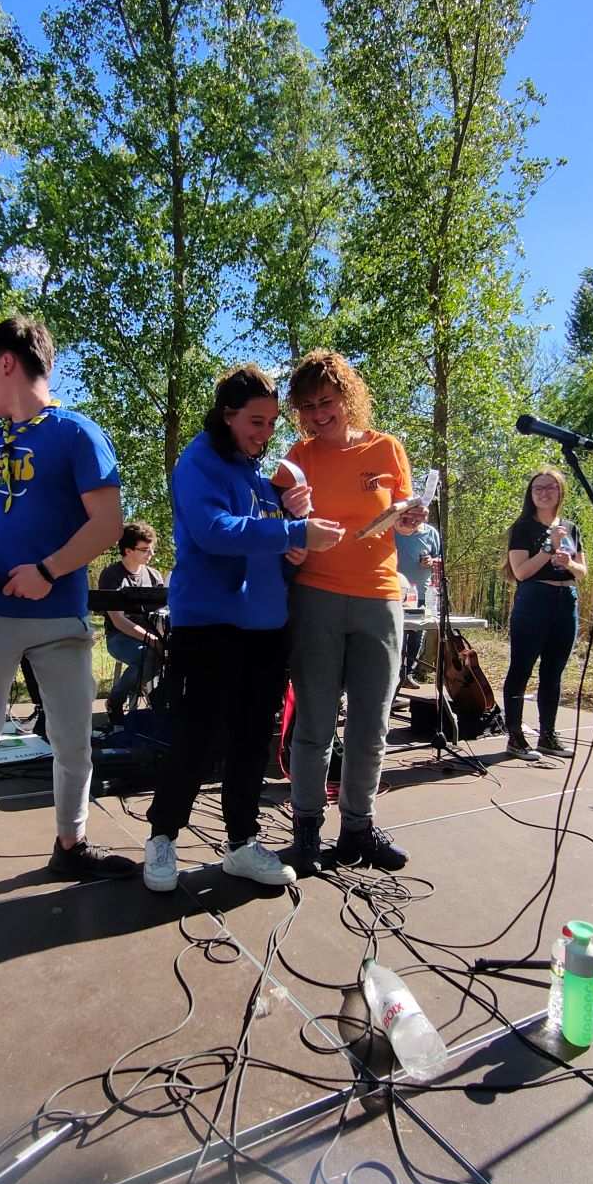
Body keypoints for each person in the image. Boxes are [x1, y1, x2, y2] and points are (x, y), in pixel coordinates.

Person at [0, 314, 137, 926]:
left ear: (6, 362)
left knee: (73, 741)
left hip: (58, 616)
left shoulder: (77, 434)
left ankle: (71, 845)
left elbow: (107, 524)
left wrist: (47, 569)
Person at [142, 364, 344, 895]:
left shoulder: (262, 476)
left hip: (265, 627)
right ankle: (163, 837)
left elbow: (271, 550)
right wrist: (293, 532)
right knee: (197, 734)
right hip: (209, 623)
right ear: (227, 415)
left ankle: (241, 843)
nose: (265, 433)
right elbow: (215, 532)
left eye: (272, 423)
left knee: (253, 739)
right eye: (256, 421)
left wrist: (293, 548)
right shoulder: (198, 461)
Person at [279, 350, 426, 877]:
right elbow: (278, 523)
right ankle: (306, 832)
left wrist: (410, 520)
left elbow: (403, 518)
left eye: (327, 402)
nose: (319, 414)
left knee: (371, 724)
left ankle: (358, 829)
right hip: (315, 597)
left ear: (348, 397)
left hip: (380, 598)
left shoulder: (387, 448)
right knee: (314, 723)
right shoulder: (297, 456)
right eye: (308, 406)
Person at [501, 468, 587, 759]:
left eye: (550, 487)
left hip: (566, 601)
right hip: (534, 600)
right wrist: (549, 548)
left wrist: (569, 564)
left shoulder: (570, 527)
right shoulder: (523, 528)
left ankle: (547, 735)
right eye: (538, 488)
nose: (543, 493)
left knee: (553, 672)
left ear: (560, 491)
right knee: (521, 668)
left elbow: (582, 571)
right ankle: (515, 738)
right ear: (531, 494)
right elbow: (521, 572)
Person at [97, 520, 164, 720]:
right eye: (145, 550)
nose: (151, 554)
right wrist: (152, 640)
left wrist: (160, 638)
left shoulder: (154, 576)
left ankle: (160, 702)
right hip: (118, 637)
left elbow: (161, 614)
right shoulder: (111, 576)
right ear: (128, 550)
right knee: (147, 657)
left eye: (152, 549)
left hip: (150, 636)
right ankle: (115, 701)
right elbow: (118, 621)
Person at [394, 516, 442, 685]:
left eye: (418, 516)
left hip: (422, 592)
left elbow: (439, 559)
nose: (413, 520)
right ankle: (394, 674)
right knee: (397, 634)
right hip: (396, 592)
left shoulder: (431, 533)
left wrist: (431, 561)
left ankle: (408, 674)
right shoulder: (394, 530)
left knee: (417, 634)